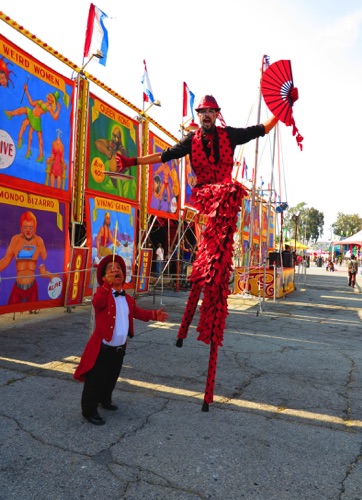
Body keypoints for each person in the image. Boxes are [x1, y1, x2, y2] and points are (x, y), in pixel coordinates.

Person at [115, 92, 295, 408]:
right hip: (206, 205)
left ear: (217, 114)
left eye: (211, 112)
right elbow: (165, 155)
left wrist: (283, 108)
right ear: (199, 116)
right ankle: (189, 323)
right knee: (204, 264)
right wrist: (132, 162)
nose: (206, 116)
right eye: (203, 112)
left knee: (216, 264)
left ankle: (202, 325)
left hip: (224, 205)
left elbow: (261, 130)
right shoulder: (192, 140)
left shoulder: (229, 135)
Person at [74, 254, 168, 425]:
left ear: (123, 276)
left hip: (119, 349)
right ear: (103, 277)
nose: (115, 270)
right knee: (96, 380)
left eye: (118, 268)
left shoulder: (128, 299)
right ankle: (89, 410)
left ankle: (105, 399)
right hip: (102, 348)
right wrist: (105, 286)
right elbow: (96, 303)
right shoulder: (103, 295)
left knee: (111, 377)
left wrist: (154, 315)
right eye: (110, 269)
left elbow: (138, 313)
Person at [0, 211, 59, 304]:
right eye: (25, 227)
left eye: (31, 227)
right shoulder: (16, 240)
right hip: (18, 288)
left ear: (35, 228)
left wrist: (48, 274)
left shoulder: (39, 241)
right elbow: (6, 260)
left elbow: (46, 262)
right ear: (21, 228)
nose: (28, 230)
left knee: (34, 315)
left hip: (32, 289)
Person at [5, 84, 61, 162]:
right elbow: (31, 103)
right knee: (24, 115)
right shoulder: (40, 101)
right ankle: (19, 138)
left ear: (53, 102)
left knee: (36, 137)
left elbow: (55, 117)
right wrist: (26, 91)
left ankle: (38, 154)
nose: (50, 98)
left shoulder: (49, 108)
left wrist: (58, 109)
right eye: (50, 96)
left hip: (36, 120)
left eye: (52, 99)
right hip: (32, 114)